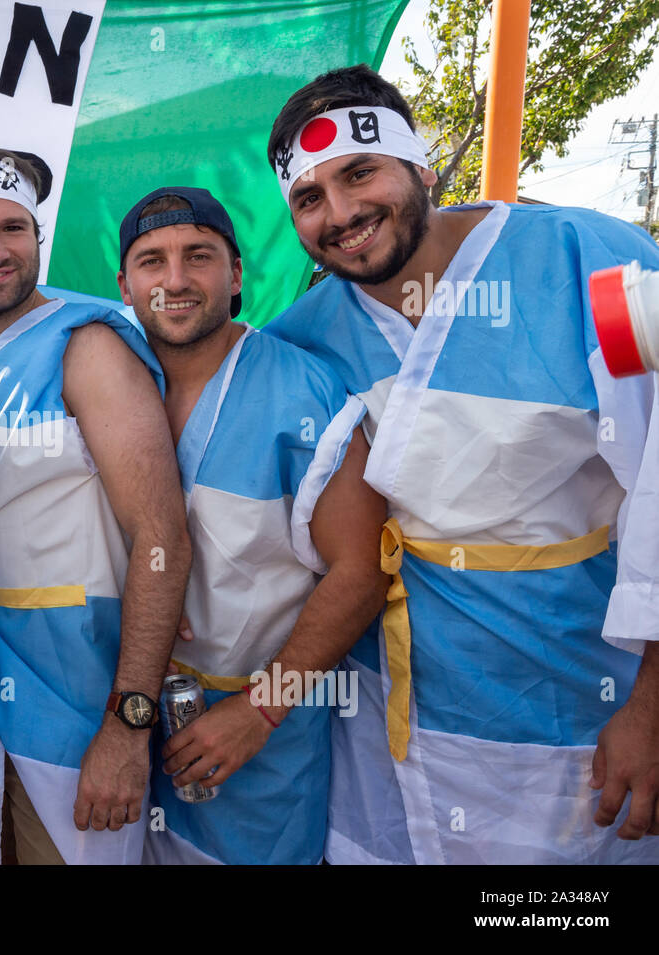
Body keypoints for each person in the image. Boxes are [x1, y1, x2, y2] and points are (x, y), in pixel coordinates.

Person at [264, 64, 659, 863]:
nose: (341, 214)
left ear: (421, 165)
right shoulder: (304, 338)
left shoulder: (593, 265)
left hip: (576, 695)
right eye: (309, 199)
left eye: (359, 173)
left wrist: (652, 705)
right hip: (391, 712)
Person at [0, 148, 190, 865]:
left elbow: (163, 538)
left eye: (14, 228)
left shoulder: (88, 343)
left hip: (80, 715)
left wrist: (129, 725)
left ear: (38, 238)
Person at [113, 186, 389, 863]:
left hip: (257, 745)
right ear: (124, 283)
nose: (175, 280)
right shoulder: (112, 384)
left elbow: (363, 568)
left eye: (198, 256)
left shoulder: (305, 393)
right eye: (152, 261)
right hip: (128, 725)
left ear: (236, 275)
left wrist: (262, 709)